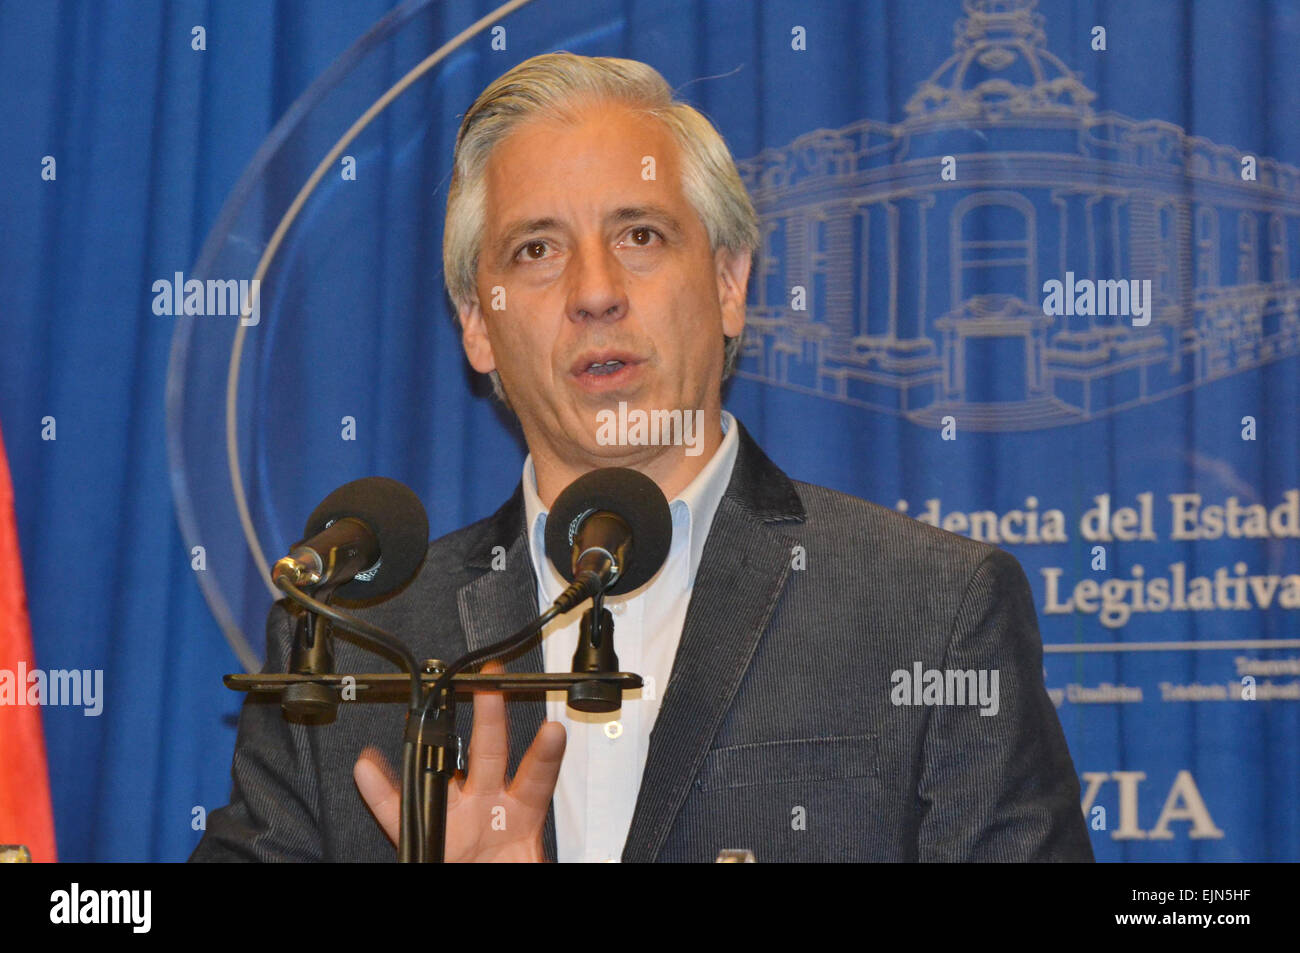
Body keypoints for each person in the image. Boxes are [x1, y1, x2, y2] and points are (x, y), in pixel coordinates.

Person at [191, 52, 1094, 863]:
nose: (594, 292)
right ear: (477, 323)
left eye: (640, 236)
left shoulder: (929, 608)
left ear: (730, 283)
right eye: (536, 249)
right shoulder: (355, 645)